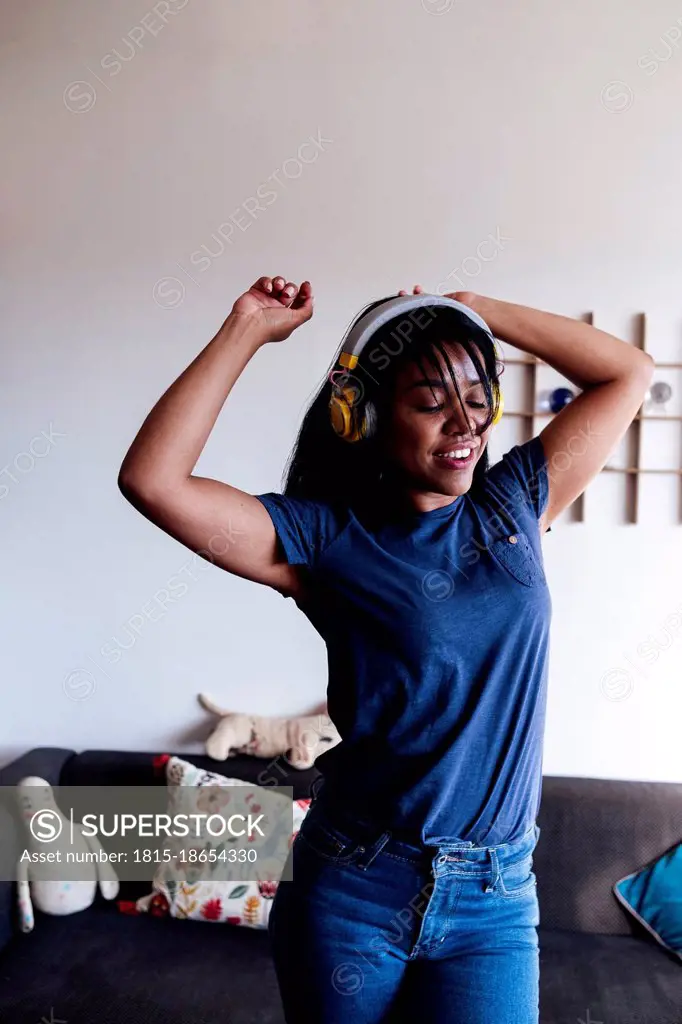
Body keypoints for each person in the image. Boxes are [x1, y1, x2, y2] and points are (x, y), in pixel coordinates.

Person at [118, 275, 654, 1023]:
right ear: (362, 416)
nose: (465, 422)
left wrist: (476, 311)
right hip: (354, 888)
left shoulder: (515, 506)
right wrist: (246, 328)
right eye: (432, 402)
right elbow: (152, 480)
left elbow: (628, 371)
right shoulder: (324, 540)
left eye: (477, 394)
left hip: (495, 900)